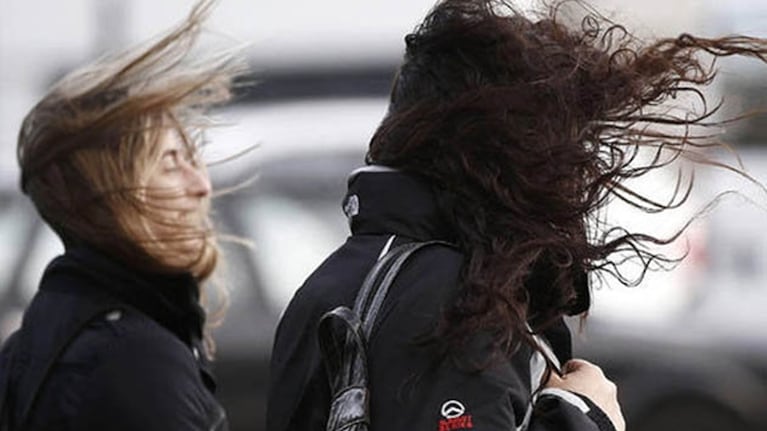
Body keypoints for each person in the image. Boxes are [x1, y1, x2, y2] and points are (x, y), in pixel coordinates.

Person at [266, 1, 767, 430]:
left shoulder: (337, 279)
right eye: (557, 144)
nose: (576, 170)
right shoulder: (449, 297)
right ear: (501, 154)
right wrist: (585, 416)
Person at [0, 1, 244, 430]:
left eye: (193, 158)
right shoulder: (134, 363)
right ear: (106, 195)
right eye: (170, 163)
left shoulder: (39, 341)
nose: (201, 184)